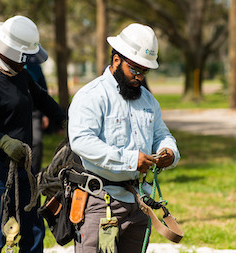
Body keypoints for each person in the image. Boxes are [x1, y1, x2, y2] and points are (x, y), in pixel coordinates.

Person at [68, 23, 180, 252]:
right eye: (135, 70)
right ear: (116, 60)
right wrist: (130, 160)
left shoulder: (148, 101)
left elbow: (161, 135)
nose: (139, 77)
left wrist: (169, 152)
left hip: (138, 203)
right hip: (100, 202)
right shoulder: (92, 96)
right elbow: (81, 140)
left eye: (145, 71)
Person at [0, 15, 66, 253]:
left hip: (23, 170)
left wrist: (67, 121)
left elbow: (42, 99)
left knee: (34, 234)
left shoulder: (21, 75)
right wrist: (2, 141)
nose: (27, 62)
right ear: (10, 51)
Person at [25, 63, 50, 171]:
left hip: (34, 111)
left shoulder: (35, 68)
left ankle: (34, 174)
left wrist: (45, 114)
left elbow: (43, 91)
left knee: (37, 141)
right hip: (15, 111)